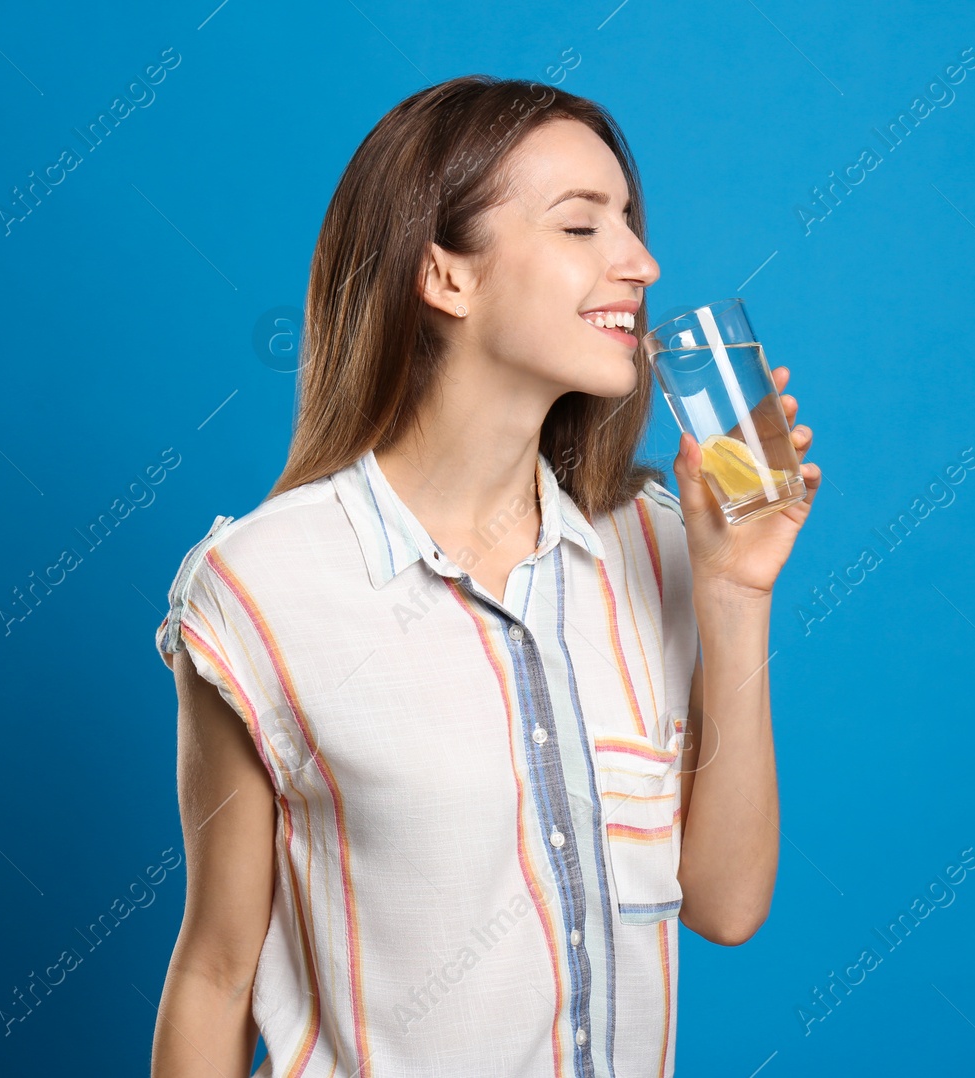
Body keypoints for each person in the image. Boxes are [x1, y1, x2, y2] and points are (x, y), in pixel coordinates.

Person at [149, 74, 819, 1078]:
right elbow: (214, 973)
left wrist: (735, 595)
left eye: (628, 223)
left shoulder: (663, 545)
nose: (641, 262)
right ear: (445, 278)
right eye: (581, 227)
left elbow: (724, 903)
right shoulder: (259, 588)